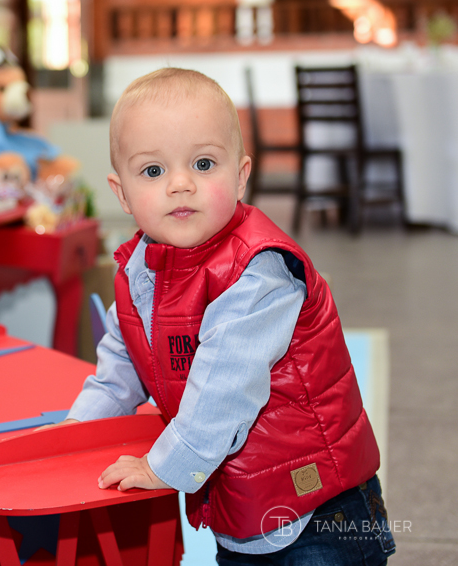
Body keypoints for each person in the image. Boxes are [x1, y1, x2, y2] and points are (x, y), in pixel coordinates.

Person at [58, 68, 395, 564]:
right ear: (121, 193)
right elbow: (119, 370)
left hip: (318, 510)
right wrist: (73, 436)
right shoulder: (139, 275)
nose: (179, 184)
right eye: (153, 171)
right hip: (241, 504)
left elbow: (224, 390)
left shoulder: (258, 273)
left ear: (240, 176)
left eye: (203, 163)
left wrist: (162, 469)